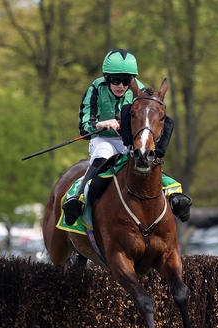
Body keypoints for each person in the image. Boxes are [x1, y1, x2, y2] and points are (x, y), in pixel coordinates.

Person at [61, 49, 192, 226]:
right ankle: (78, 199)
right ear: (107, 78)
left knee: (146, 161)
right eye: (116, 80)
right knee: (102, 156)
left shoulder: (139, 90)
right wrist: (101, 124)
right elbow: (84, 128)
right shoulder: (95, 90)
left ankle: (174, 197)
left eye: (126, 81)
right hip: (103, 139)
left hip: (128, 141)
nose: (121, 86)